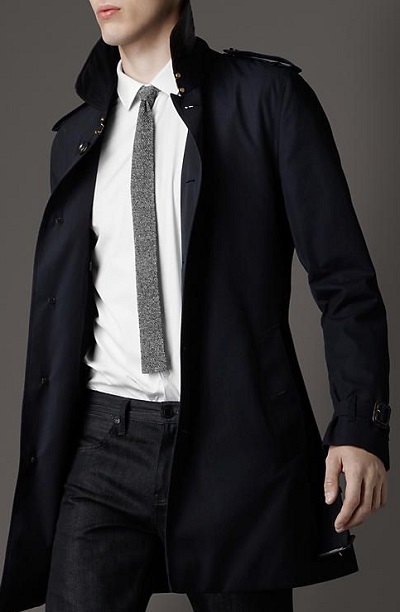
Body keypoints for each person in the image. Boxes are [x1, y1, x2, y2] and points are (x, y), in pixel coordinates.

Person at [0, 0, 392, 611]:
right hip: (103, 445)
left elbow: (342, 277)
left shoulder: (267, 99)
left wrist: (360, 426)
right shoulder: (75, 137)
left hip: (235, 446)